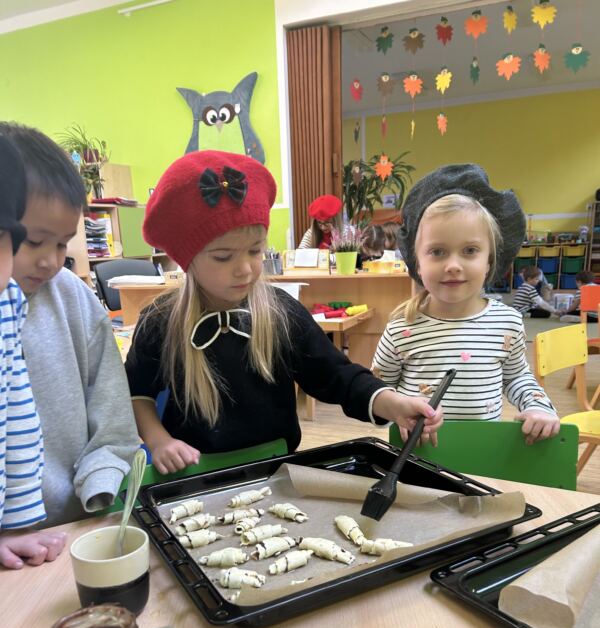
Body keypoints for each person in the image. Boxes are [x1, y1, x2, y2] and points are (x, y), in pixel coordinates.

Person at [125, 150, 443, 474]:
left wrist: (392, 403)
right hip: (194, 476)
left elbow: (337, 376)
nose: (245, 268)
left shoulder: (281, 313)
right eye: (223, 256)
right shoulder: (160, 321)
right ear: (187, 259)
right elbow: (137, 394)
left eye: (255, 251)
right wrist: (159, 441)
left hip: (277, 470)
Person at [0, 122, 140, 525]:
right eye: (33, 241)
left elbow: (111, 412)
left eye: (62, 243)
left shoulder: (73, 296)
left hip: (79, 516)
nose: (50, 260)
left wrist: (100, 483)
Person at [372, 163, 559, 446]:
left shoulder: (507, 323)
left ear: (489, 261)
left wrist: (539, 407)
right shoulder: (401, 328)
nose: (453, 266)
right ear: (417, 263)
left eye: (470, 250)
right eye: (437, 251)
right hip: (417, 454)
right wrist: (398, 410)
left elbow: (516, 377)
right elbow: (379, 390)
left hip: (481, 453)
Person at [0, 134, 66, 569]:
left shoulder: (9, 302)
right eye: (35, 243)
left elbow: (19, 420)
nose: (50, 261)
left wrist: (16, 525)